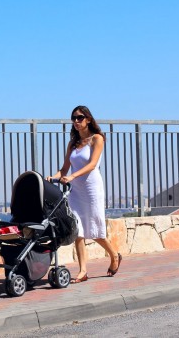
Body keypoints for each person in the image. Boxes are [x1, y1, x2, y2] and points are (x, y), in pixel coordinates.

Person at [46, 105, 122, 283]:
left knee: (96, 230)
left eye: (80, 118)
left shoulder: (97, 139)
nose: (76, 121)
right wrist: (53, 177)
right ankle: (83, 271)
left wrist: (71, 176)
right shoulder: (73, 143)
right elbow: (64, 168)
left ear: (88, 119)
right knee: (78, 229)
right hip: (76, 190)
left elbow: (92, 165)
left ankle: (114, 256)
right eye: (73, 118)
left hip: (91, 188)